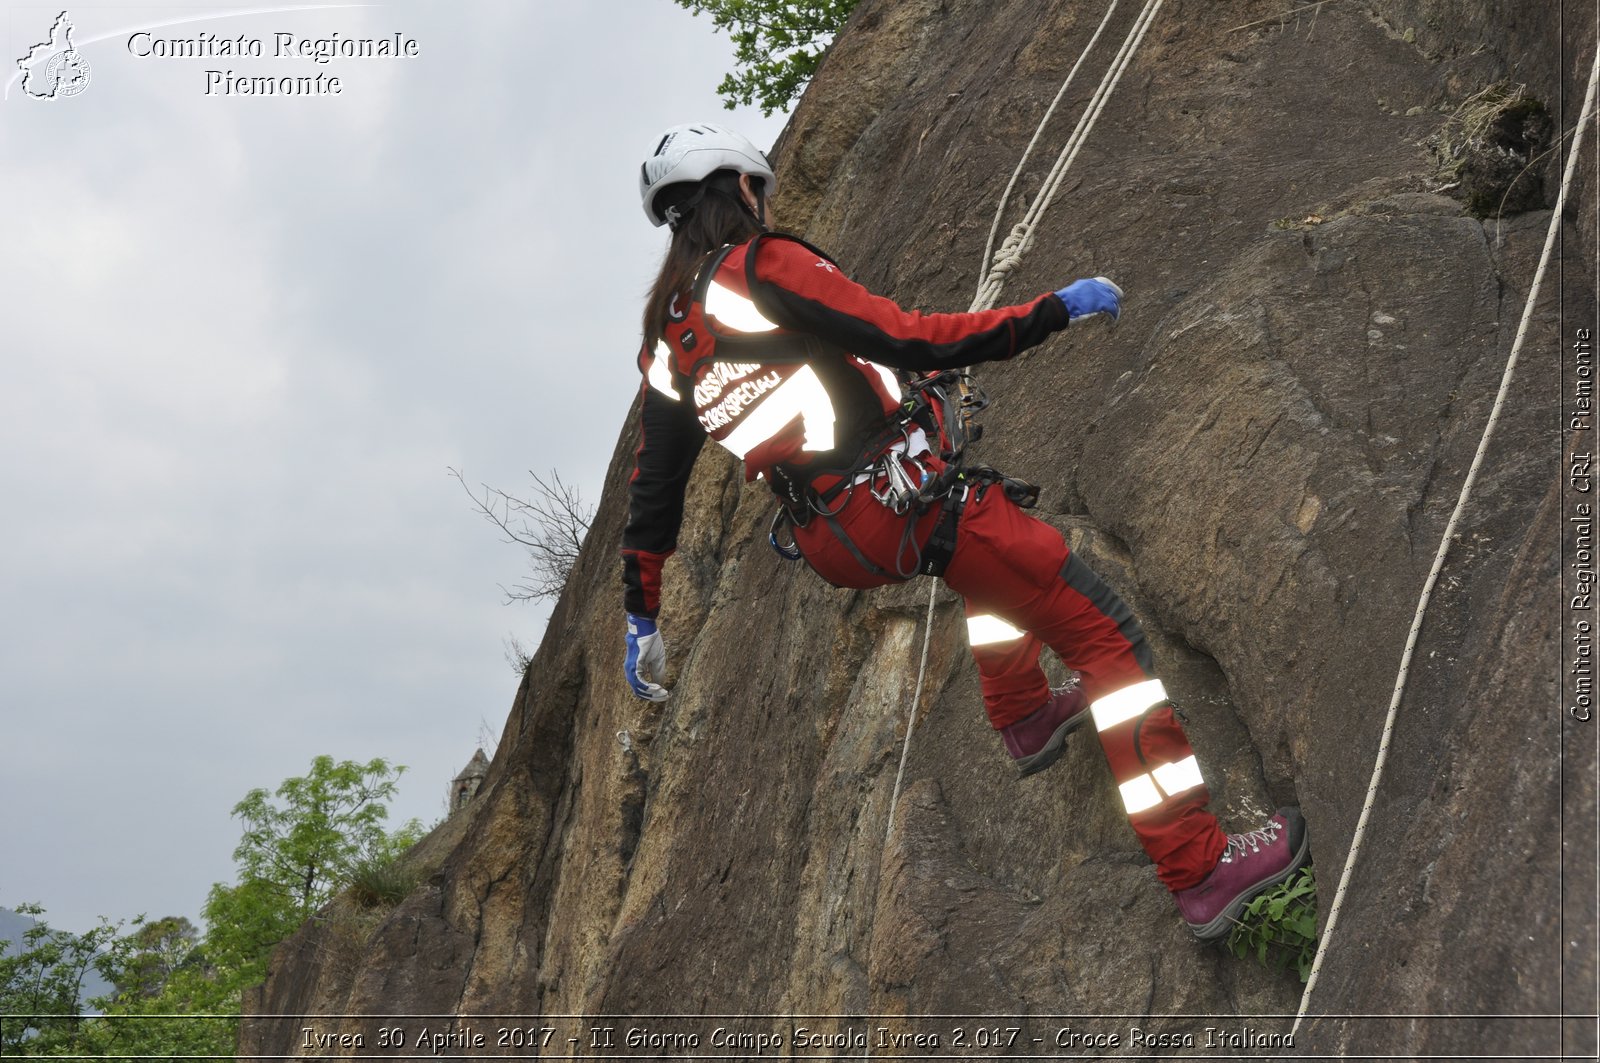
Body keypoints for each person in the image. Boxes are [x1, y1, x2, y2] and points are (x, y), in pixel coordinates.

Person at [618, 123, 1309, 939]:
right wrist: (1048, 313)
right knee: (1106, 641)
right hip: (897, 501)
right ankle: (1200, 868)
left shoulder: (671, 333)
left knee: (992, 569)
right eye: (756, 191)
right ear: (739, 189)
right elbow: (903, 336)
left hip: (831, 538)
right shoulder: (764, 267)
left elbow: (654, 486)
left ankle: (1022, 711)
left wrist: (643, 614)